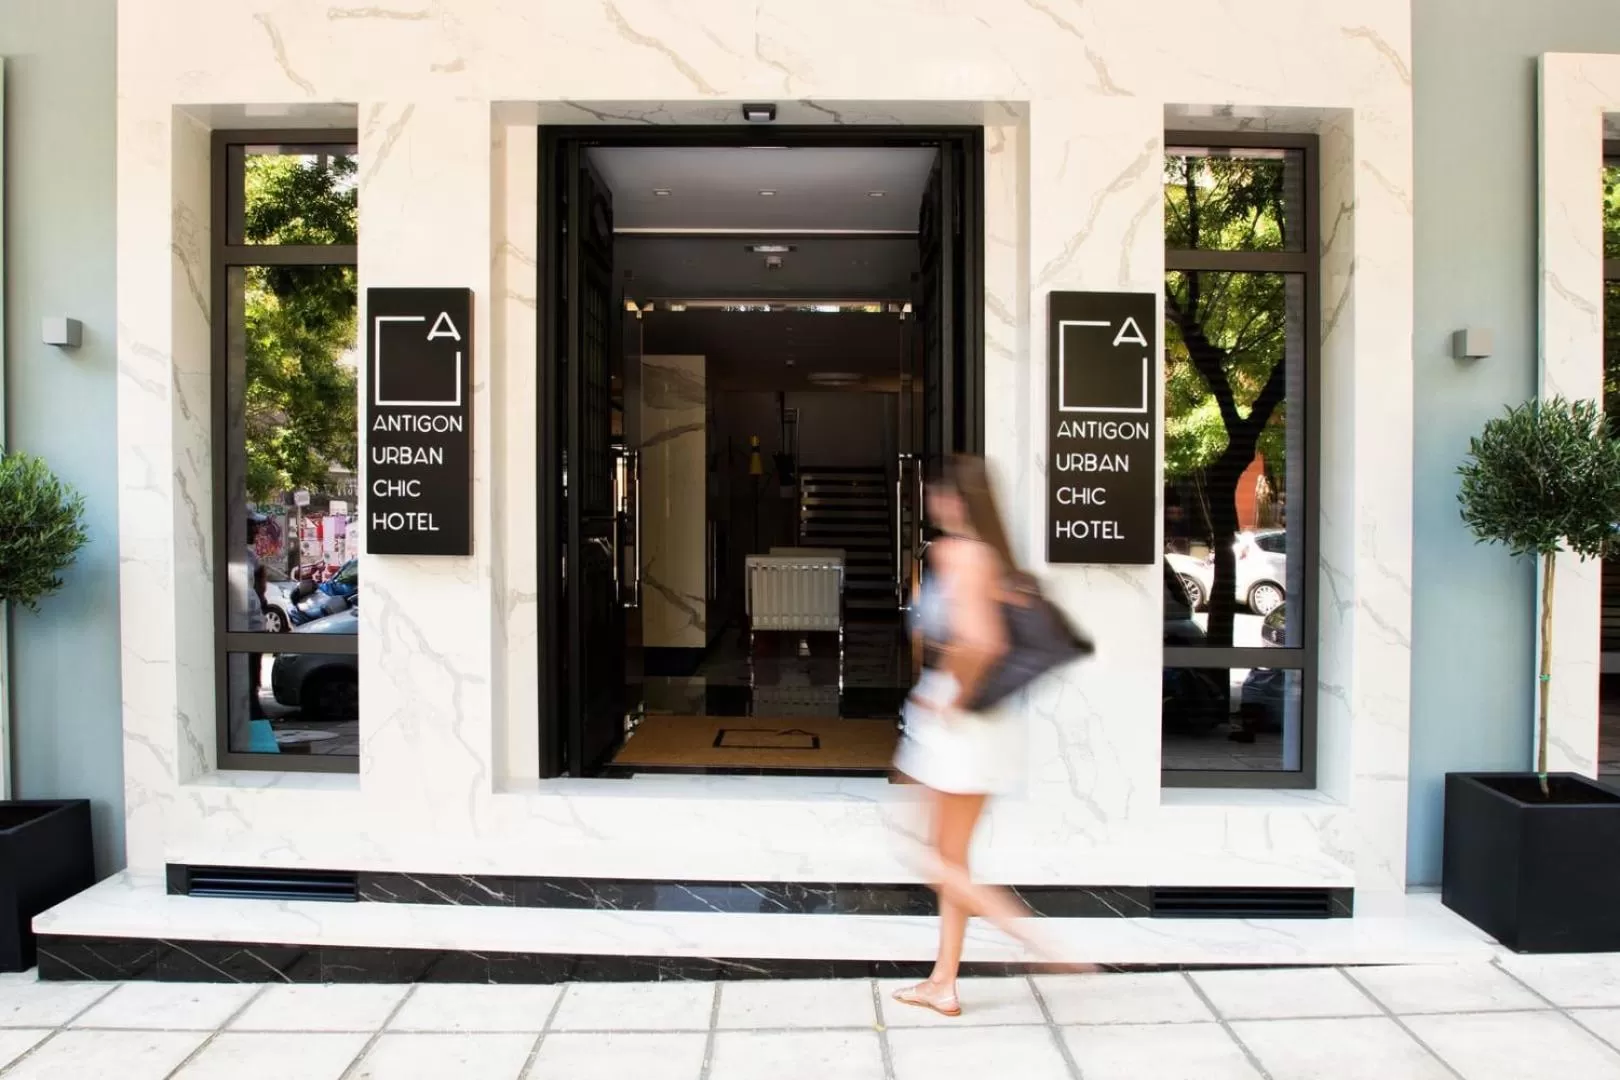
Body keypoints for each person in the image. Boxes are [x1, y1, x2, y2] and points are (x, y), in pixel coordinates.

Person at [891, 455, 1085, 1017]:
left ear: (954, 500)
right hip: (992, 721)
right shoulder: (997, 557)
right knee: (953, 859)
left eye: (937, 491)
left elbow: (982, 642)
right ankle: (943, 983)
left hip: (955, 719)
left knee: (926, 855)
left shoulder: (956, 553)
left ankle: (1034, 939)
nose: (931, 499)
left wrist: (946, 696)